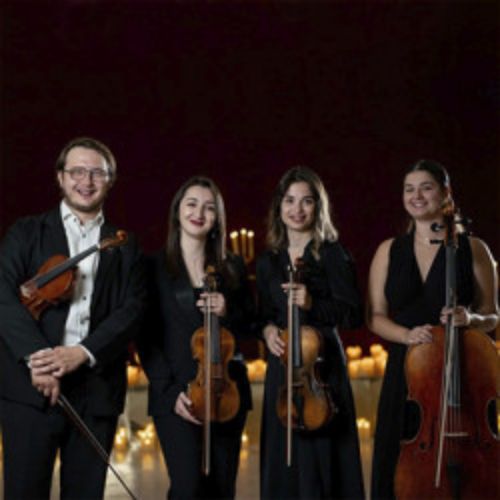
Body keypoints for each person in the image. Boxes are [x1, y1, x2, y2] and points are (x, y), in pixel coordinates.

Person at [0, 137, 146, 499]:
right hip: (30, 389)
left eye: (97, 172)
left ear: (110, 180)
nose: (87, 181)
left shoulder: (124, 245)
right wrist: (39, 359)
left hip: (95, 391)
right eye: (77, 171)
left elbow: (133, 309)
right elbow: (3, 296)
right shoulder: (26, 232)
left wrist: (82, 352)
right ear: (61, 177)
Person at [367, 160, 499, 500]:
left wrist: (470, 318)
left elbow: (492, 315)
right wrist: (406, 336)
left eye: (426, 187)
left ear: (445, 193)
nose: (417, 196)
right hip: (408, 373)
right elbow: (376, 316)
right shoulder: (388, 250)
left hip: (461, 373)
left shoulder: (474, 249)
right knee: (400, 462)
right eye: (409, 189)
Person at [138, 176, 254, 499]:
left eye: (209, 208)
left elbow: (251, 325)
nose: (199, 213)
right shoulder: (152, 267)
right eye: (191, 204)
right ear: (178, 211)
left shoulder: (232, 266)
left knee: (222, 489)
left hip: (226, 392)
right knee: (187, 488)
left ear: (218, 218)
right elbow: (145, 337)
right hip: (177, 394)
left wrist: (228, 310)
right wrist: (169, 392)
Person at [257, 166, 365, 499]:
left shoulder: (332, 253)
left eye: (306, 201)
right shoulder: (269, 261)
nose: (297, 209)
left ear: (318, 207)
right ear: (279, 206)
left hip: (321, 369)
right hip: (282, 367)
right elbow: (263, 314)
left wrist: (312, 303)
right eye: (290, 200)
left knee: (323, 459)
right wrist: (268, 330)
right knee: (284, 458)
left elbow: (352, 314)